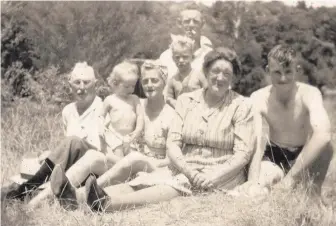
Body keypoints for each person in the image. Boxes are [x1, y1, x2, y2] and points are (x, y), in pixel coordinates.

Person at [50, 48, 256, 212]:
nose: (219, 78)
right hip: (186, 167)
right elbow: (173, 144)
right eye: (215, 72)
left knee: (170, 187)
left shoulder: (241, 106)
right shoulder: (186, 101)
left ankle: (106, 204)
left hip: (221, 174)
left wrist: (211, 177)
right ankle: (76, 197)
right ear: (206, 72)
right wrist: (188, 170)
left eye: (226, 73)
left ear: (234, 78)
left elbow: (242, 154)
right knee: (144, 181)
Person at [2, 62, 112, 204]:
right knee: (40, 157)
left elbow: (101, 150)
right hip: (74, 170)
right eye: (77, 82)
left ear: (95, 84)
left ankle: (27, 188)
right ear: (70, 84)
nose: (82, 87)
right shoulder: (68, 111)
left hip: (96, 167)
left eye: (87, 82)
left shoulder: (103, 108)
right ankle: (26, 190)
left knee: (74, 141)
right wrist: (53, 153)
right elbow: (68, 149)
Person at [246, 44, 333, 199]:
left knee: (327, 148)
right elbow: (256, 143)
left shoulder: (310, 93)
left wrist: (290, 179)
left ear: (297, 70)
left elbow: (324, 134)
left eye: (288, 72)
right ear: (268, 71)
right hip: (275, 155)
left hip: (304, 154)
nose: (283, 78)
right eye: (277, 72)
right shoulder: (257, 98)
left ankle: (313, 196)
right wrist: (253, 181)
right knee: (260, 191)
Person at [160, 6, 212, 96]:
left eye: (196, 21)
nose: (191, 25)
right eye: (187, 21)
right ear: (179, 23)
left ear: (202, 24)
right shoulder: (165, 57)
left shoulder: (210, 55)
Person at [101, 61, 144, 158]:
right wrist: (101, 126)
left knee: (134, 157)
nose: (130, 90)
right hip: (115, 136)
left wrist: (138, 130)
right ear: (115, 83)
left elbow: (140, 116)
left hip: (131, 136)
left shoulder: (134, 99)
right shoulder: (110, 100)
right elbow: (100, 115)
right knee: (118, 157)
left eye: (133, 86)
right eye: (126, 86)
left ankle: (133, 171)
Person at [166, 35, 207, 109]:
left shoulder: (199, 75)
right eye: (177, 57)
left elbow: (208, 92)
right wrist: (175, 103)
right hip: (180, 114)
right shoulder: (173, 80)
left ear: (192, 57)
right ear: (173, 59)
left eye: (185, 57)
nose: (181, 60)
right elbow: (168, 98)